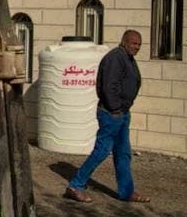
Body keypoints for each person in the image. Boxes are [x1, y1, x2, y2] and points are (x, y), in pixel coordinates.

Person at [64, 30, 150, 203]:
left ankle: (126, 192)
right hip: (112, 114)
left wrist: (122, 110)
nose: (136, 47)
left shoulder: (127, 58)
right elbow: (108, 86)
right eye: (134, 43)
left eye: (139, 44)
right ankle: (75, 185)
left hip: (122, 114)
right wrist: (115, 109)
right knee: (102, 151)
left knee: (123, 153)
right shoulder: (115, 58)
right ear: (124, 41)